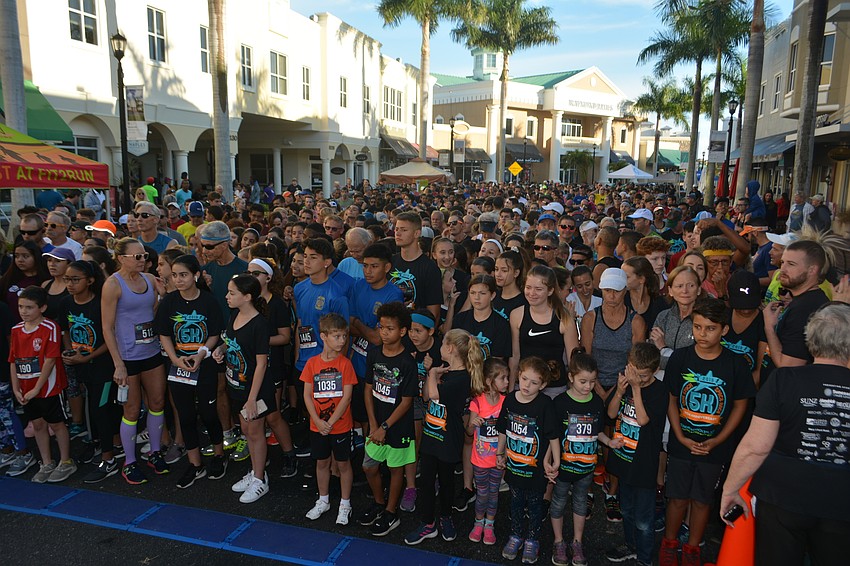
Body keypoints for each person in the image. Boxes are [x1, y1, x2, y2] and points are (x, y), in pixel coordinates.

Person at [720, 303, 850, 566]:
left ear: (810, 340)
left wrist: (730, 489)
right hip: (841, 503)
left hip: (782, 498)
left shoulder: (783, 380)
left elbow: (756, 446)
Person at [660, 298, 756, 566]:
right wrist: (678, 436)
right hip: (682, 443)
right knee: (677, 497)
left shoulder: (735, 364)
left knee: (702, 500)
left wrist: (718, 440)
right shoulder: (681, 357)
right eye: (698, 327)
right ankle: (669, 545)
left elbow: (740, 404)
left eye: (710, 328)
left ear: (724, 330)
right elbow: (670, 398)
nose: (702, 334)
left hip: (714, 448)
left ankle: (692, 549)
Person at [155, 255, 227, 489]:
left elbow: (215, 332)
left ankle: (218, 455)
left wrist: (201, 354)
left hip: (204, 365)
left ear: (195, 275)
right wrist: (175, 358)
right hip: (178, 367)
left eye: (183, 274)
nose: (178, 280)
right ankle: (195, 464)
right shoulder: (169, 302)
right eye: (174, 275)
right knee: (185, 416)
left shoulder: (208, 301)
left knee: (208, 413)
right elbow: (164, 333)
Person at [404, 329, 482, 546]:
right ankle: (428, 523)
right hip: (431, 436)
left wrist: (431, 375)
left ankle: (446, 517)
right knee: (427, 481)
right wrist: (435, 376)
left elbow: (436, 395)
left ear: (450, 348)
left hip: (449, 439)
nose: (438, 347)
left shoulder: (461, 378)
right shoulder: (446, 373)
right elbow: (427, 397)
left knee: (447, 482)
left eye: (442, 344)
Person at [102, 238, 169, 484]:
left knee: (158, 402)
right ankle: (129, 462)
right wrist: (118, 363)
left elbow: (157, 309)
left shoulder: (150, 280)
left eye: (144, 256)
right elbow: (107, 328)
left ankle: (154, 451)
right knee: (131, 409)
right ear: (121, 258)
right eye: (137, 257)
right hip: (127, 357)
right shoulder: (112, 284)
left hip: (151, 353)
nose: (143, 260)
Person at [550, 349, 619, 566]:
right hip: (564, 466)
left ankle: (577, 542)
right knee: (559, 501)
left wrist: (609, 443)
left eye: (592, 381)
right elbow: (552, 435)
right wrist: (550, 461)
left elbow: (597, 431)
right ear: (570, 377)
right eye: (582, 381)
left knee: (581, 502)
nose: (587, 386)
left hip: (587, 467)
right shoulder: (560, 403)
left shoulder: (596, 402)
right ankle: (559, 541)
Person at [603, 343, 669, 566]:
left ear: (655, 370)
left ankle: (645, 557)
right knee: (627, 510)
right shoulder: (627, 384)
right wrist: (621, 391)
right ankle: (631, 546)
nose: (637, 379)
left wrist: (636, 389)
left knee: (644, 519)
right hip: (624, 459)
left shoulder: (659, 391)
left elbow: (643, 420)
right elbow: (611, 414)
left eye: (642, 375)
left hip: (644, 464)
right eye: (634, 372)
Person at [357, 302, 418, 537]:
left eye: (389, 328)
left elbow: (406, 401)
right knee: (368, 466)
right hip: (377, 426)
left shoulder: (407, 362)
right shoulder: (373, 353)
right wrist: (373, 424)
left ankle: (391, 513)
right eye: (381, 327)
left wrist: (384, 426)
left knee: (395, 470)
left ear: (402, 331)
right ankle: (379, 503)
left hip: (397, 427)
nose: (383, 332)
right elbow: (368, 389)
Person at [496, 356, 560, 565]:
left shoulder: (545, 404)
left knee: (534, 506)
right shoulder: (510, 399)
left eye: (534, 383)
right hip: (514, 466)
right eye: (524, 379)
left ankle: (532, 539)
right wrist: (499, 453)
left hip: (535, 471)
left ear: (542, 385)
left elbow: (553, 436)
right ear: (518, 376)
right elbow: (503, 430)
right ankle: (515, 536)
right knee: (515, 503)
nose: (527, 385)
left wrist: (554, 462)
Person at [213, 275, 272, 503]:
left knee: (255, 434)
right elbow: (231, 341)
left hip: (253, 390)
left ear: (247, 297)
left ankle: (259, 478)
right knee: (247, 432)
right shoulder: (234, 315)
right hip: (236, 385)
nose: (227, 296)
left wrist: (252, 398)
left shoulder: (259, 324)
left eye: (232, 293)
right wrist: (221, 349)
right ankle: (255, 471)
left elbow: (261, 363)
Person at [9, 286, 76, 483]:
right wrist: (16, 388)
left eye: (29, 307)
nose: (24, 311)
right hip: (25, 387)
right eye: (21, 306)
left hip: (49, 387)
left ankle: (66, 461)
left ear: (42, 308)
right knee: (37, 424)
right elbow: (13, 360)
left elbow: (50, 359)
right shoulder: (16, 330)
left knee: (56, 423)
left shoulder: (50, 328)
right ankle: (46, 462)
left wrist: (37, 388)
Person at [302, 313, 358, 526]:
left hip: (340, 426)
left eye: (344, 336)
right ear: (323, 336)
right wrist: (316, 420)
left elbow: (347, 396)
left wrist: (330, 422)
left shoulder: (345, 365)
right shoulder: (312, 363)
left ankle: (345, 504)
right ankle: (323, 499)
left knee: (343, 464)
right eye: (336, 336)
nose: (342, 341)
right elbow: (307, 394)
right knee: (321, 462)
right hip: (318, 426)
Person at [246, 256, 298, 477]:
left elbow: (285, 337)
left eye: (256, 273)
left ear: (268, 277)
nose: (251, 277)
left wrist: (258, 341)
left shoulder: (276, 304)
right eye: (248, 273)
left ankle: (289, 454)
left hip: (272, 367)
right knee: (253, 418)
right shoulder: (247, 301)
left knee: (272, 415)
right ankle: (260, 459)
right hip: (250, 369)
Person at [510, 265, 579, 395]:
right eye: (528, 287)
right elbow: (515, 357)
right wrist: (511, 390)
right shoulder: (517, 315)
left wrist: (574, 391)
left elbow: (572, 361)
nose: (532, 293)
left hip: (554, 389)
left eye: (538, 289)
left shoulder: (564, 318)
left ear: (550, 291)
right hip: (524, 387)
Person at [763, 240, 830, 367]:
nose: (783, 269)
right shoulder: (804, 301)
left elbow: (788, 366)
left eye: (791, 264)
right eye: (783, 262)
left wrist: (769, 328)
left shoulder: (804, 309)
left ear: (812, 270)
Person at [466, 357, 509, 546]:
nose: (507, 382)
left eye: (507, 378)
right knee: (482, 493)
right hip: (480, 460)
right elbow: (468, 432)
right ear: (490, 381)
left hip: (498, 460)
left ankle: (489, 524)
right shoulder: (477, 402)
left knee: (494, 493)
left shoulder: (507, 402)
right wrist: (472, 423)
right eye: (503, 378)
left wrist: (505, 454)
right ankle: (478, 522)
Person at [390, 211, 442, 319]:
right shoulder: (390, 262)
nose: (398, 233)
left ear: (417, 233)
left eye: (404, 230)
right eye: (396, 229)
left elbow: (434, 314)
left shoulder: (430, 268)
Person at [650, 266, 701, 370]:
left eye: (691, 285)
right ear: (670, 290)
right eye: (679, 286)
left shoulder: (704, 321)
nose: (685, 291)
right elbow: (652, 358)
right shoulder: (663, 317)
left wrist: (663, 349)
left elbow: (693, 362)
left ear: (699, 289)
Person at [1, 241, 49, 324]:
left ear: (35, 256)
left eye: (25, 256)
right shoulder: (9, 278)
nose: (20, 260)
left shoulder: (45, 280)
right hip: (10, 328)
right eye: (16, 256)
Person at [492, 250, 527, 321]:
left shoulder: (522, 302)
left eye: (504, 270)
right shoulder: (493, 295)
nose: (498, 274)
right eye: (496, 269)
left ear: (516, 273)